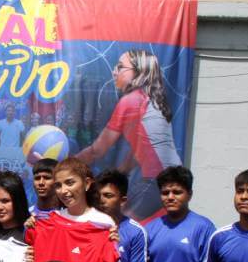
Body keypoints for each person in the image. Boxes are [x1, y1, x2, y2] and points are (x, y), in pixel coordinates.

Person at [76, 50, 182, 220]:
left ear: (139, 72)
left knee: (121, 226)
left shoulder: (131, 101)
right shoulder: (152, 99)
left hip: (157, 181)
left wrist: (63, 167)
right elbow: (140, 151)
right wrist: (118, 173)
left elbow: (97, 151)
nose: (114, 72)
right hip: (171, 178)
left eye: (120, 67)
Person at [19, 157, 119, 262]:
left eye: (70, 183)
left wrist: (113, 245)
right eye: (58, 185)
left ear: (87, 183)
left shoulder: (104, 225)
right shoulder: (44, 223)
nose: (64, 190)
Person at [0, 105, 26, 172]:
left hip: (15, 151)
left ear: (14, 112)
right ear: (5, 112)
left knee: (14, 170)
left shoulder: (19, 123)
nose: (10, 112)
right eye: (8, 110)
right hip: (3, 150)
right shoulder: (0, 123)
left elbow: (24, 137)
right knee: (3, 170)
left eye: (12, 111)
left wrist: (23, 147)